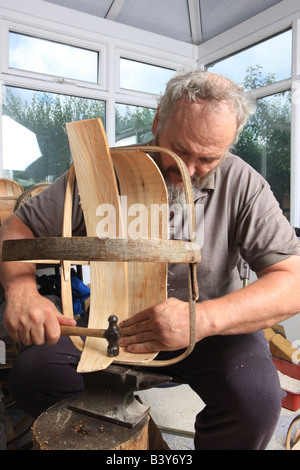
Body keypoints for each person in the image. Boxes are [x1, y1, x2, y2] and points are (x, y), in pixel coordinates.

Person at [1, 70, 300, 450]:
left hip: (210, 330)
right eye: (180, 149)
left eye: (208, 158)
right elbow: (16, 226)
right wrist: (22, 290)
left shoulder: (244, 183)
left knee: (255, 402)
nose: (189, 172)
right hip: (114, 324)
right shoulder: (103, 171)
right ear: (158, 120)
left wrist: (200, 319)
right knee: (33, 377)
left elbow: (292, 281)